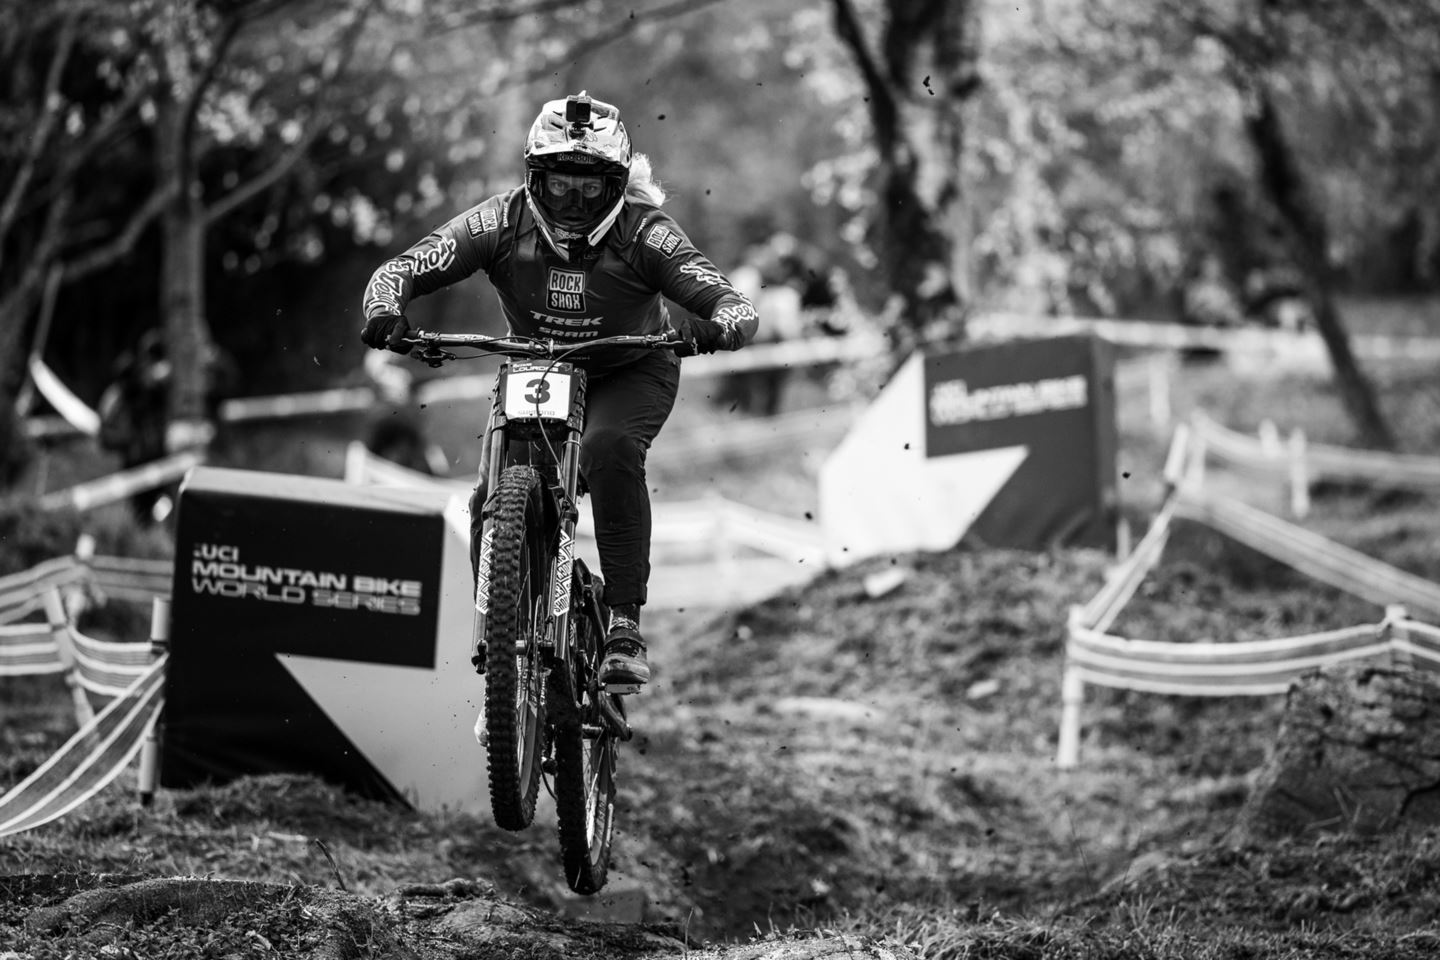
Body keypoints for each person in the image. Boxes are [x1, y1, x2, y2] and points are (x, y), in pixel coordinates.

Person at [359, 92, 758, 690]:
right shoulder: (499, 220)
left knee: (608, 450)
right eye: (558, 186)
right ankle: (501, 654)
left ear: (618, 186)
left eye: (590, 190)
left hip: (630, 369)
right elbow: (401, 268)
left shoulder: (647, 234)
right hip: (536, 367)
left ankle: (623, 624)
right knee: (489, 495)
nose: (572, 204)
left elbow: (735, 304)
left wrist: (716, 326)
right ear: (532, 179)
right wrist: (385, 309)